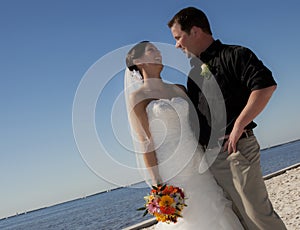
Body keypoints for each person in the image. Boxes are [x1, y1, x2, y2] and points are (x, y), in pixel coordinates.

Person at [167, 7, 287, 230]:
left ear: (194, 31)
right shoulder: (194, 72)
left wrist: (239, 125)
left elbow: (265, 86)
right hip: (211, 157)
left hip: (235, 151)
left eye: (178, 37)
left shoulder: (235, 54)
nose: (176, 45)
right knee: (238, 219)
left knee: (258, 215)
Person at [125, 41, 244, 229]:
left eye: (157, 49)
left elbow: (200, 121)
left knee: (215, 207)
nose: (158, 52)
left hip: (197, 160)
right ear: (139, 61)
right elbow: (146, 143)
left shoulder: (179, 89)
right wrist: (157, 186)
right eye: (151, 50)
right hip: (171, 169)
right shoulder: (138, 97)